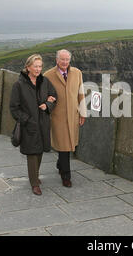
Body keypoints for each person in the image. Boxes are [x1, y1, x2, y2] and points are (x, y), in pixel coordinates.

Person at [9, 54, 57, 195]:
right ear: (28, 67)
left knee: (40, 150)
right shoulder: (19, 85)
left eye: (40, 66)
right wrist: (27, 119)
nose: (38, 69)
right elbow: (13, 108)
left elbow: (54, 96)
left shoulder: (45, 81)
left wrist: (47, 105)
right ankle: (34, 183)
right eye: (35, 66)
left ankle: (35, 176)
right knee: (32, 153)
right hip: (29, 125)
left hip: (43, 123)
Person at [44, 49, 86, 188]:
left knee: (68, 145)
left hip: (73, 115)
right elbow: (43, 95)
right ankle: (66, 176)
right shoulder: (48, 75)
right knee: (64, 145)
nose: (65, 62)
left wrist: (83, 113)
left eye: (67, 59)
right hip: (58, 117)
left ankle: (60, 164)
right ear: (57, 60)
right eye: (62, 59)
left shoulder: (77, 73)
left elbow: (81, 94)